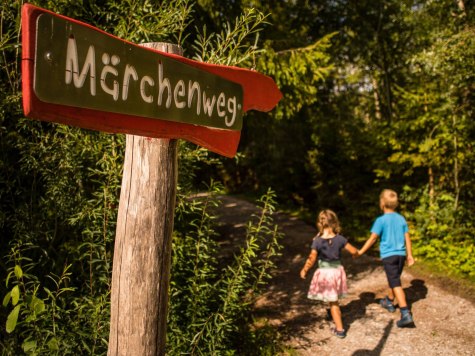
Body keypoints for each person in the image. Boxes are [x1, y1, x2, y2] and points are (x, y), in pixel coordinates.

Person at [357, 189, 415, 327]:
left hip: (389, 256)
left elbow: (373, 239)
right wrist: (410, 255)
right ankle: (389, 301)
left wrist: (360, 252)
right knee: (394, 278)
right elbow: (407, 237)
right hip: (401, 255)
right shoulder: (401, 218)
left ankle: (405, 313)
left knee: (395, 283)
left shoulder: (381, 220)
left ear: (382, 203)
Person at [300, 209, 358, 338]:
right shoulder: (340, 239)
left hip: (326, 273)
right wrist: (355, 255)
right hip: (337, 271)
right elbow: (354, 251)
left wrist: (305, 269)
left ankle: (340, 329)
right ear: (335, 222)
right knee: (333, 299)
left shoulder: (317, 241)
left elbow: (312, 258)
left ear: (320, 223)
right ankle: (332, 313)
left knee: (333, 303)